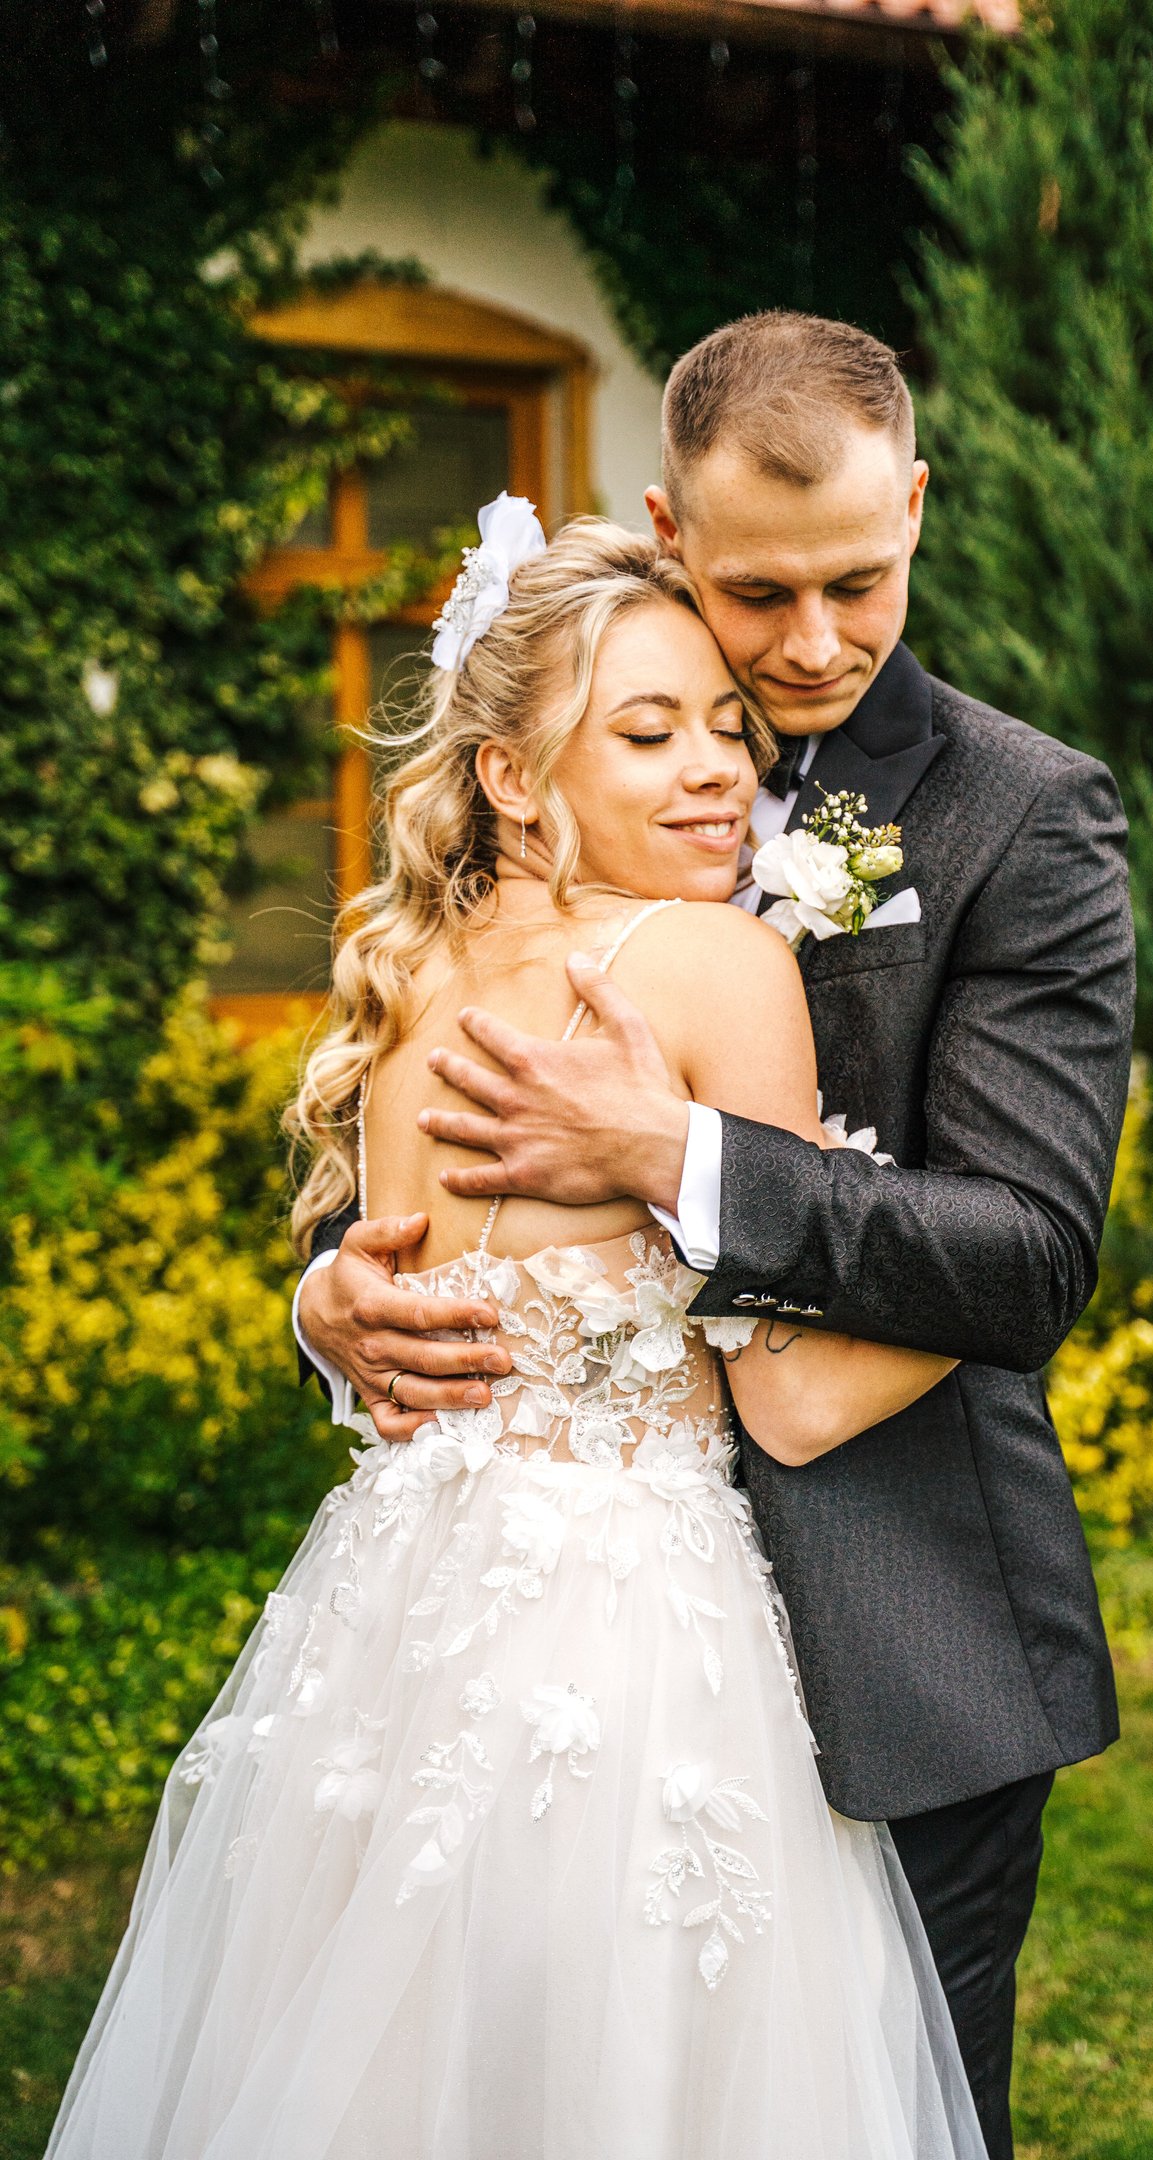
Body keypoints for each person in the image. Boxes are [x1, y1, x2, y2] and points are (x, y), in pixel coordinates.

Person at [296, 313, 1136, 2160]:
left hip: (898, 1629)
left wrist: (679, 1152)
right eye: (762, 594)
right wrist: (335, 1293)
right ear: (673, 532)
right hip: (548, 1635)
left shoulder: (1021, 819)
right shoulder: (606, 714)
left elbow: (1023, 1254)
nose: (816, 644)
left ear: (914, 508)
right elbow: (438, 1124)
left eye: (862, 580)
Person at [46, 509, 986, 2160]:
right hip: (628, 1638)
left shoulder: (412, 981)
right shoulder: (710, 962)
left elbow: (384, 1273)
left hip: (390, 1616)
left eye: (726, 728)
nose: (716, 773)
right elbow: (791, 1397)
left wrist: (320, 1302)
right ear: (509, 776)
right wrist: (996, 1289)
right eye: (647, 731)